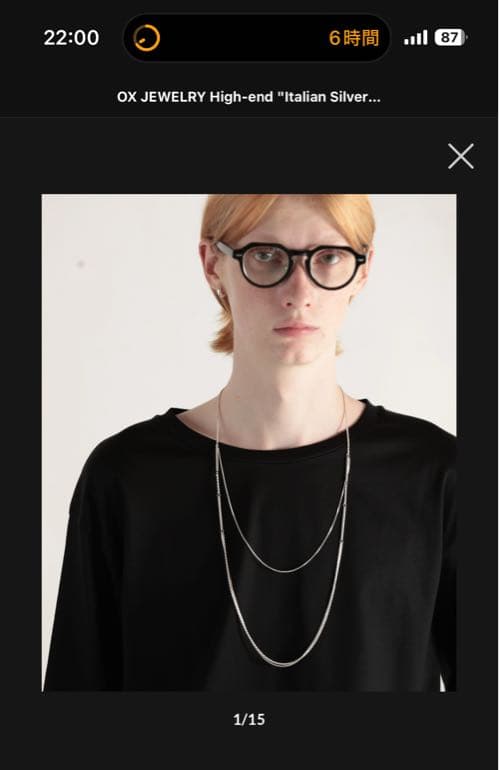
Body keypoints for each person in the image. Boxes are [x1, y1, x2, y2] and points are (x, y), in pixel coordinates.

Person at [43, 194, 456, 691]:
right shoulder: (127, 476)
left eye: (329, 256)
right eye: (266, 255)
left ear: (363, 270)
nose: (300, 290)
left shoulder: (437, 474)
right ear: (212, 265)